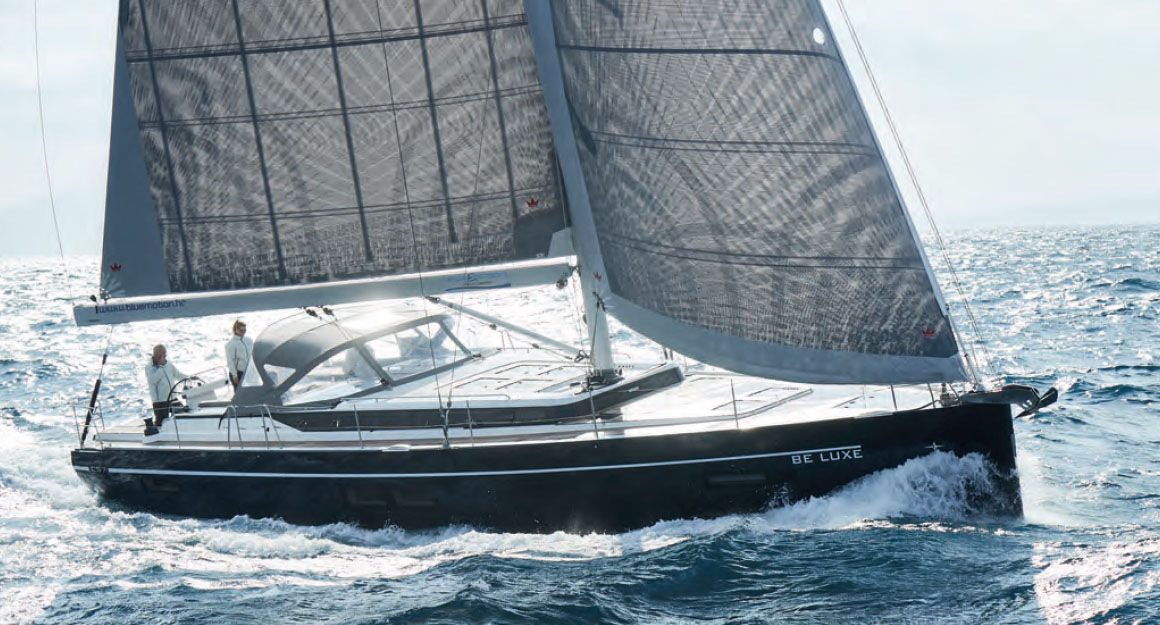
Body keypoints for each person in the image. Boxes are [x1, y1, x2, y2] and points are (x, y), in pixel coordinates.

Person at [145, 344, 187, 434]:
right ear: (156, 355)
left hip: (172, 397)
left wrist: (188, 378)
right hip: (160, 401)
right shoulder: (149, 367)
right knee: (161, 423)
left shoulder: (168, 364)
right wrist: (161, 367)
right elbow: (152, 381)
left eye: (165, 355)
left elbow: (177, 374)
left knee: (182, 413)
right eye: (162, 356)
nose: (164, 357)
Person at [225, 319, 253, 390]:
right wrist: (234, 375)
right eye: (241, 330)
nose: (243, 332)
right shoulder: (231, 344)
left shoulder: (248, 340)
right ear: (236, 330)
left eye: (244, 330)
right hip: (238, 373)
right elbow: (230, 361)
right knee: (239, 391)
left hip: (248, 371)